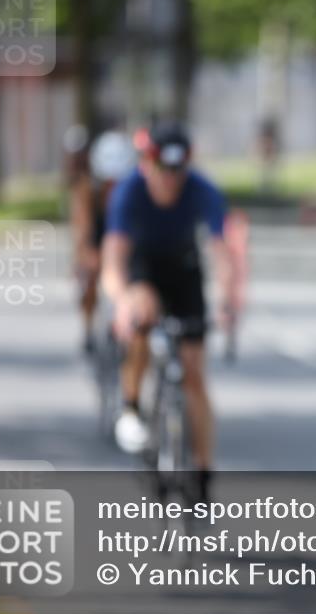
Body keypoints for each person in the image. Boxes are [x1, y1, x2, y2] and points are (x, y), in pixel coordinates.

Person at [101, 122, 238, 502]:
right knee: (143, 311)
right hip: (144, 269)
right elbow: (113, 262)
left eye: (179, 172)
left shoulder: (202, 190)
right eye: (163, 170)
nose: (171, 181)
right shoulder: (128, 192)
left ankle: (203, 476)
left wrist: (227, 303)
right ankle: (130, 406)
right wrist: (121, 301)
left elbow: (220, 250)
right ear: (147, 164)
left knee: (194, 373)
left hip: (184, 270)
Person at [71, 130, 135, 353]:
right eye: (109, 181)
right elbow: (83, 228)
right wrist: (87, 255)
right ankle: (88, 328)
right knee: (89, 280)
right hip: (97, 240)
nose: (113, 186)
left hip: (125, 242)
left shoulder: (134, 190)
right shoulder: (87, 191)